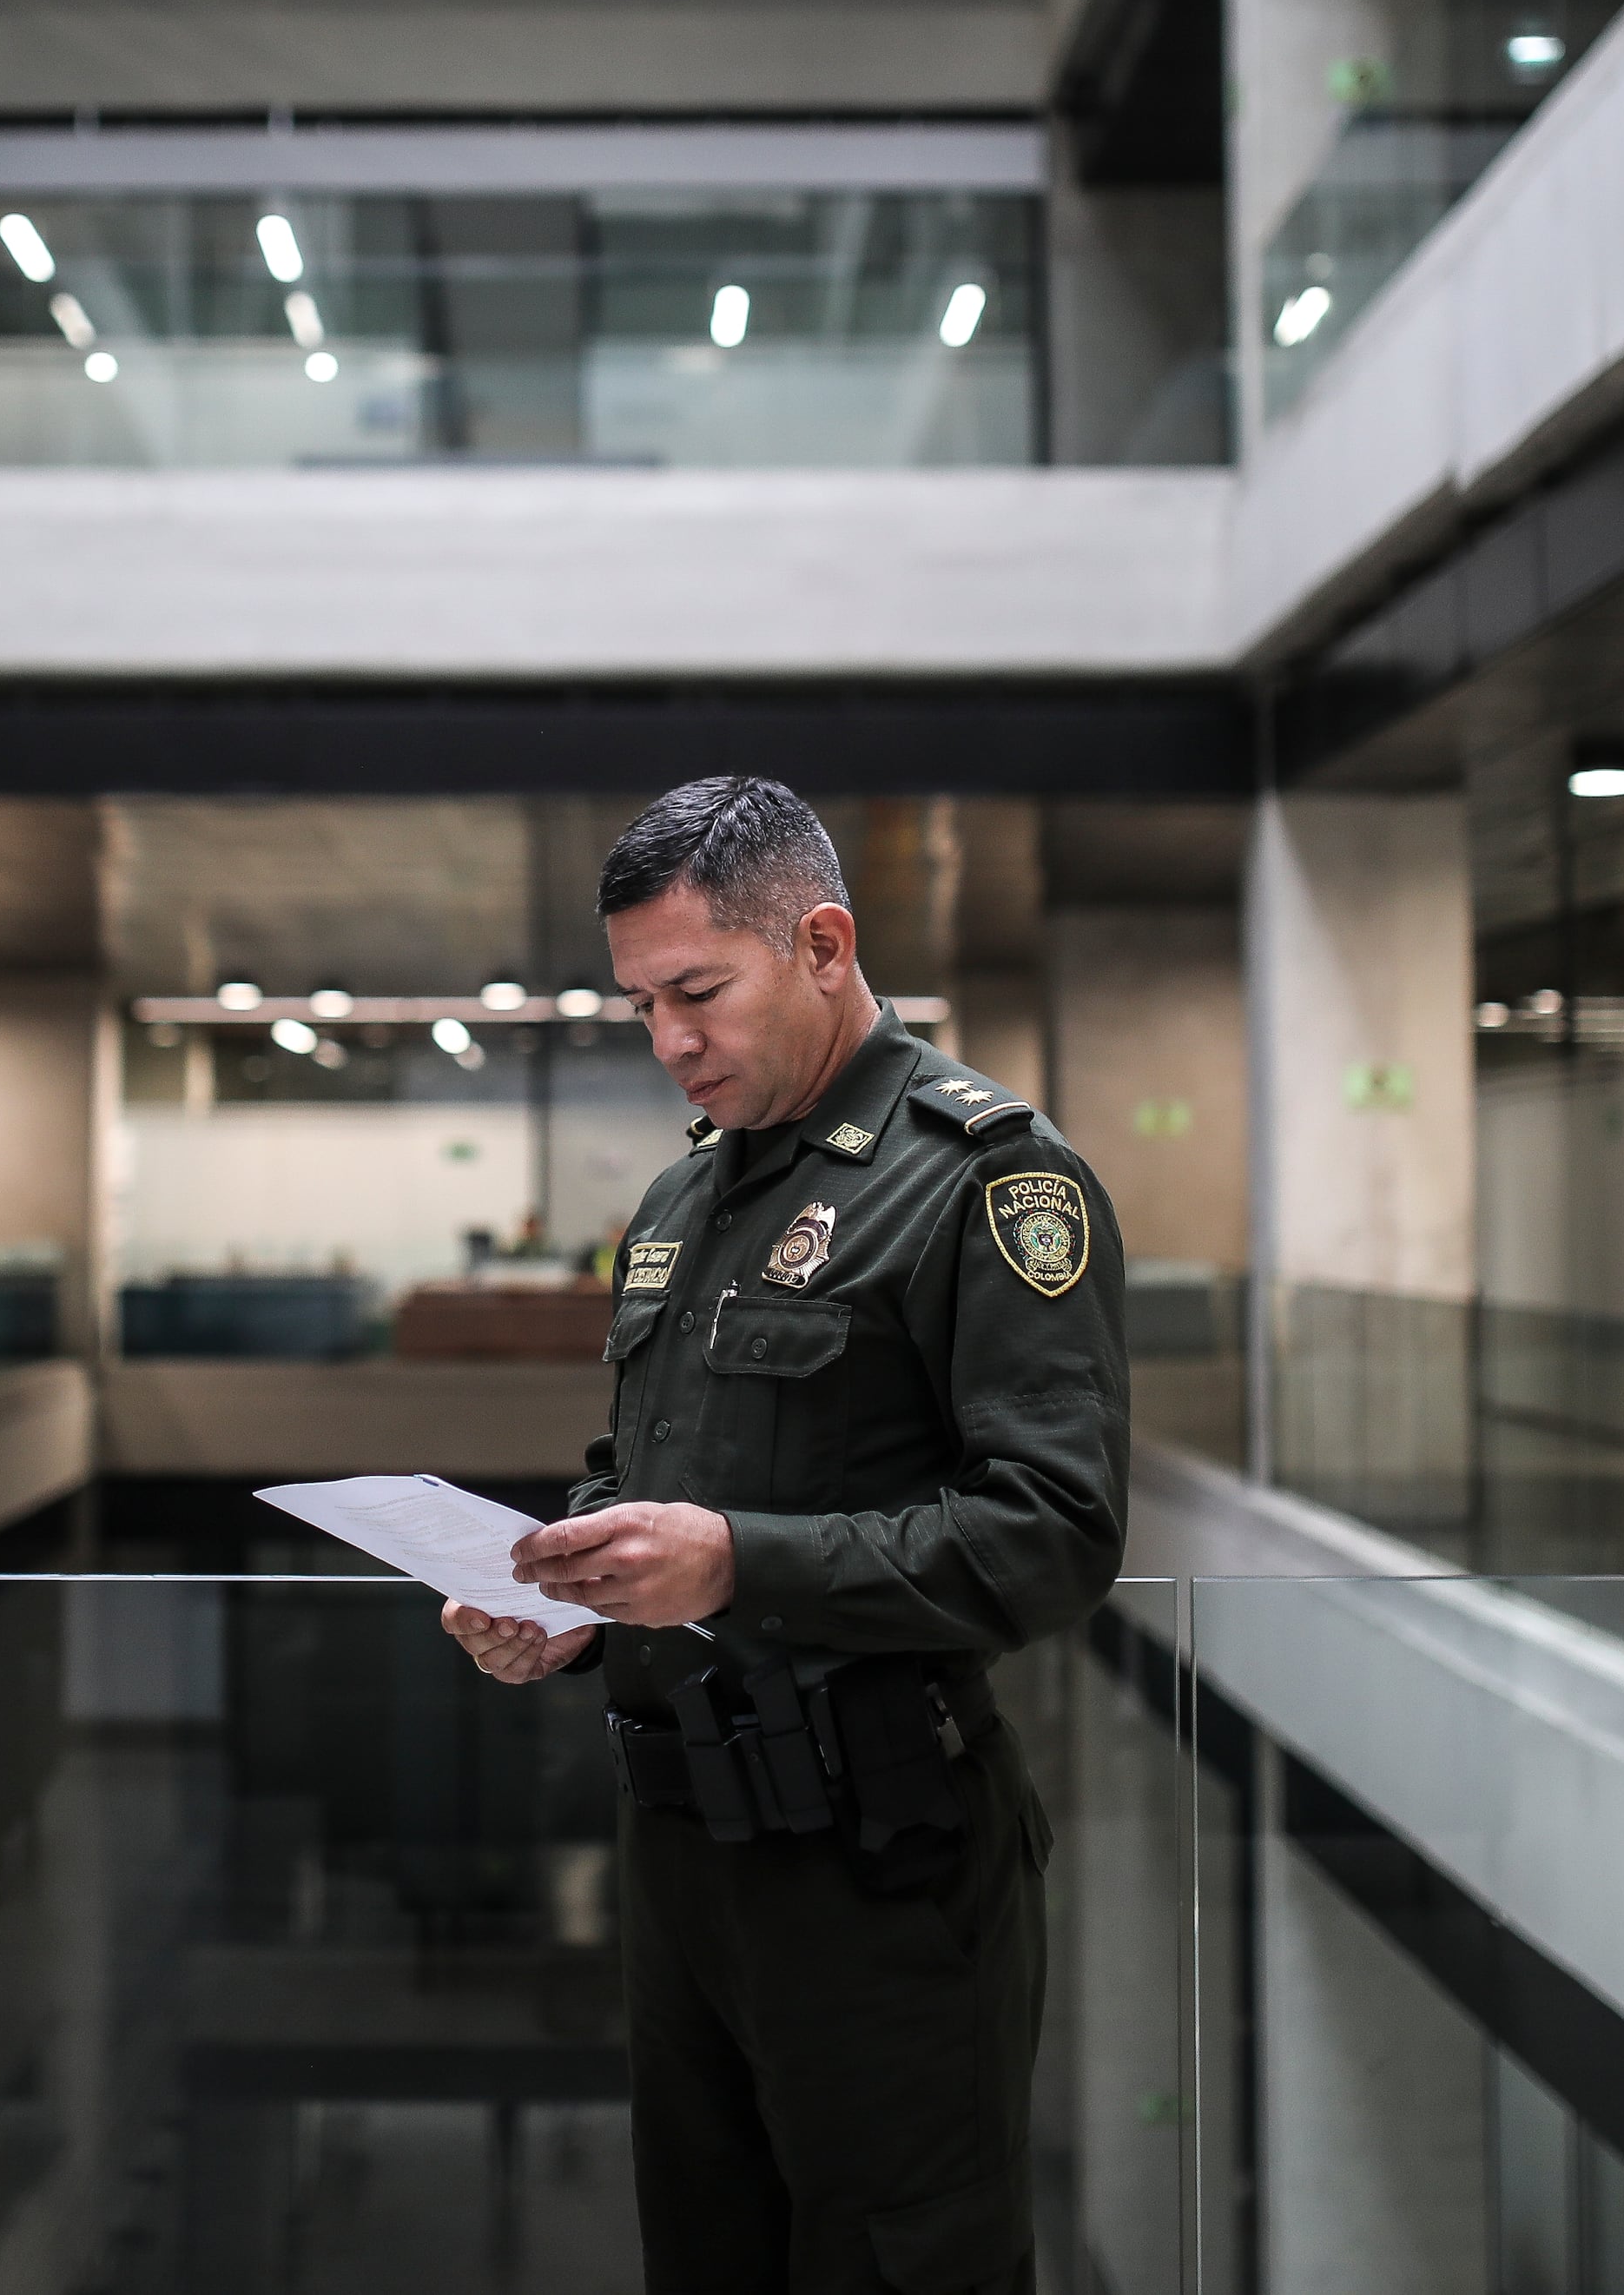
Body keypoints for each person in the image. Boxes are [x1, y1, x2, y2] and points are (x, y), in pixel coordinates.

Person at [442, 776, 1130, 2295]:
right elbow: (640, 1469)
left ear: (824, 942)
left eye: (699, 990)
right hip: (683, 1854)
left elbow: (1055, 1532)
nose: (671, 1039)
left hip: (878, 1862)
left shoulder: (985, 1182)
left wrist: (740, 1561)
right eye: (640, 1004)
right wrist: (568, 1595)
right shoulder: (689, 1195)